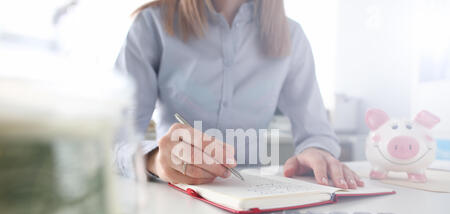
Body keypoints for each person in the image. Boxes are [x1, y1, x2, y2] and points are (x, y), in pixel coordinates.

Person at [115, 0, 364, 189]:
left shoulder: (292, 36)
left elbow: (316, 133)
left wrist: (317, 150)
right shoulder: (151, 26)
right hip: (177, 195)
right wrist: (155, 159)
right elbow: (112, 140)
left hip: (252, 195)